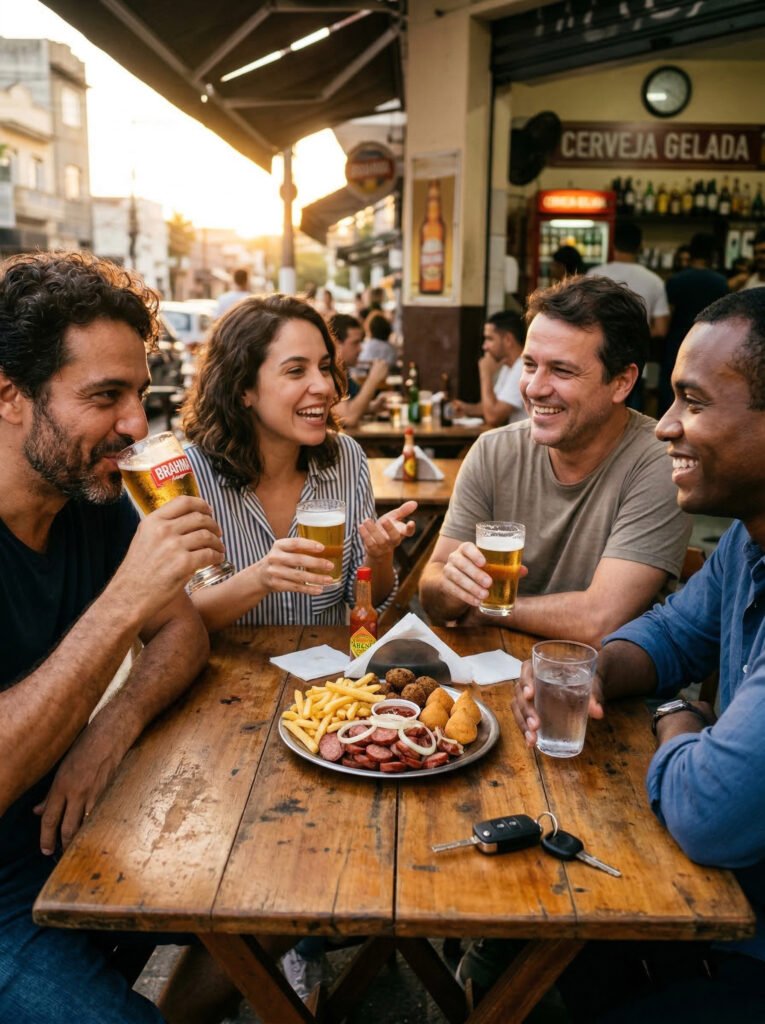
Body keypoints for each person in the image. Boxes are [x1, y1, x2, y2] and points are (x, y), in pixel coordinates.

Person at [511, 288, 765, 1022]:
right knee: (560, 947)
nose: (668, 428)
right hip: (724, 906)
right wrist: (597, 667)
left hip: (749, 942)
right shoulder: (748, 541)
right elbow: (670, 634)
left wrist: (675, 721)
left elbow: (709, 812)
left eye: (692, 401)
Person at [0, 251, 236, 1024]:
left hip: (73, 833)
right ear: (9, 396)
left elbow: (184, 633)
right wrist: (121, 604)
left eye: (139, 393)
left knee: (264, 905)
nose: (137, 424)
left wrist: (115, 723)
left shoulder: (92, 496)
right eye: (106, 396)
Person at [419, 275, 690, 647]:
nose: (534, 388)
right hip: (488, 679)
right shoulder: (492, 450)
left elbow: (600, 620)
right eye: (529, 366)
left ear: (622, 382)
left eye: (561, 370)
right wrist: (450, 588)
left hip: (604, 694)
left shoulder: (659, 460)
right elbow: (433, 588)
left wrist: (485, 606)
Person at [181, 294, 416, 632]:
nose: (324, 386)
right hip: (231, 680)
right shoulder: (190, 477)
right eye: (295, 371)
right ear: (243, 388)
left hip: (326, 680)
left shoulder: (346, 458)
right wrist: (260, 578)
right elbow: (180, 622)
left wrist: (378, 557)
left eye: (324, 367)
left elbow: (364, 598)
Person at [658, 232, 728, 417]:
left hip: (677, 343)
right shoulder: (720, 282)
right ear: (712, 256)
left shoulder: (677, 280)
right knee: (702, 394)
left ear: (691, 253)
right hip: (711, 347)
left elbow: (668, 317)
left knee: (670, 392)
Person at [588, 222, 669, 340]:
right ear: (640, 246)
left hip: (600, 349)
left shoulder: (593, 275)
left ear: (613, 244)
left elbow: (583, 318)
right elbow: (661, 329)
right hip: (637, 351)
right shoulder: (655, 280)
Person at [451, 311, 527, 427]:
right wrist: (466, 408)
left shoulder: (522, 368)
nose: (484, 346)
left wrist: (485, 373)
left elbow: (493, 417)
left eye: (489, 339)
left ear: (508, 339)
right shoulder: (508, 366)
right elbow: (491, 406)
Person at [329, 313, 389, 428]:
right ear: (336, 344)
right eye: (355, 343)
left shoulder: (343, 371)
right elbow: (348, 418)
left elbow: (349, 407)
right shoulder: (329, 372)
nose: (360, 349)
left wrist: (372, 407)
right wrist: (373, 380)